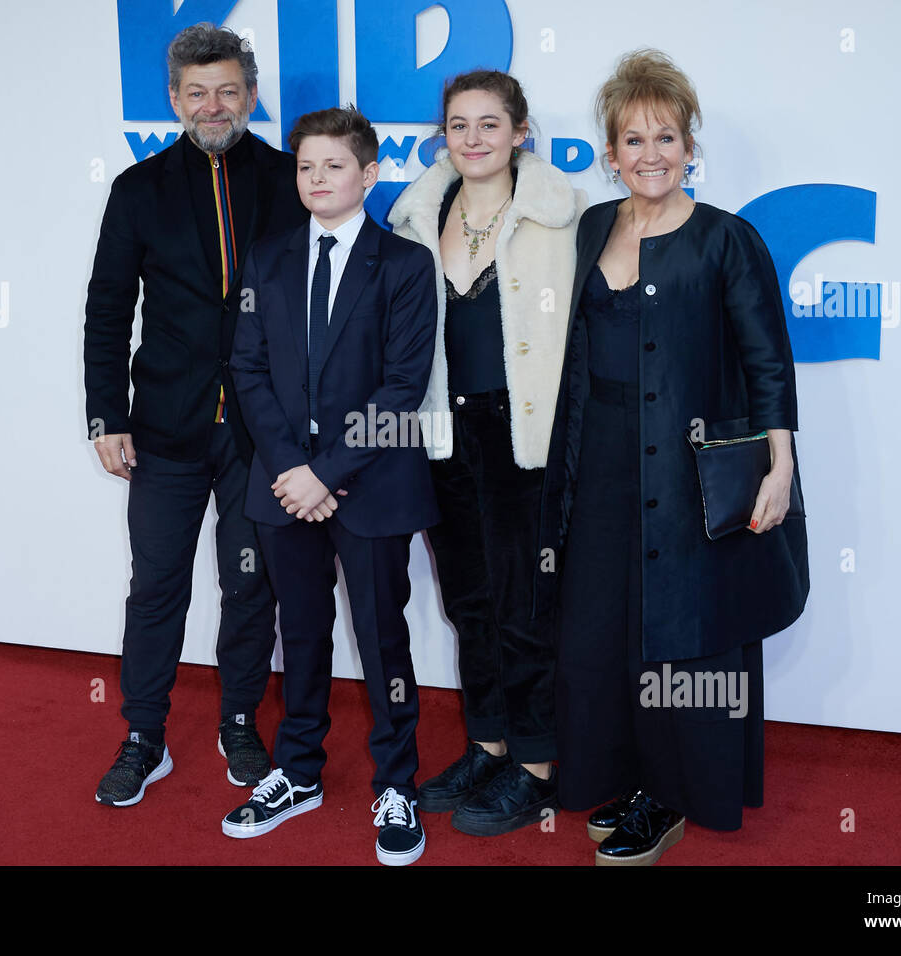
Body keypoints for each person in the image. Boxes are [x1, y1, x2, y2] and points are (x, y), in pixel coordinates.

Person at [535, 49, 810, 865]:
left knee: (686, 632)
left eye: (666, 137)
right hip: (603, 463)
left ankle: (675, 794)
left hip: (691, 472)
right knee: (603, 626)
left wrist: (779, 468)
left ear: (690, 146)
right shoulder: (593, 226)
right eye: (632, 138)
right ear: (609, 152)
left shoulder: (728, 239)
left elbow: (769, 363)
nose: (650, 154)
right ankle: (624, 773)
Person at [83, 23, 308, 806]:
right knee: (156, 588)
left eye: (228, 90)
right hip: (165, 432)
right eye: (197, 92)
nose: (213, 105)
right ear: (175, 99)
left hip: (260, 433)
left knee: (251, 588)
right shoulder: (137, 190)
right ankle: (144, 733)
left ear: (249, 95)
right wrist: (105, 415)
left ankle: (240, 718)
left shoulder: (289, 181)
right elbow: (108, 307)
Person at [224, 106, 439, 865]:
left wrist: (326, 473)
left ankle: (398, 785)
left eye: (334, 166)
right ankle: (297, 770)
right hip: (284, 485)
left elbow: (404, 387)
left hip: (370, 483)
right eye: (306, 167)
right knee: (302, 634)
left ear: (370, 174)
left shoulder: (407, 265)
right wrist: (292, 470)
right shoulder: (270, 258)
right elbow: (247, 368)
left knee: (384, 641)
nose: (317, 179)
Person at [388, 70, 584, 836]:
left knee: (525, 605)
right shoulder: (415, 215)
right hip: (442, 433)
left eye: (489, 124)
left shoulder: (558, 216)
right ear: (443, 136)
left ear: (520, 132)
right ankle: (490, 743)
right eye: (459, 125)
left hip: (522, 439)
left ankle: (535, 766)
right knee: (469, 602)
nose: (473, 138)